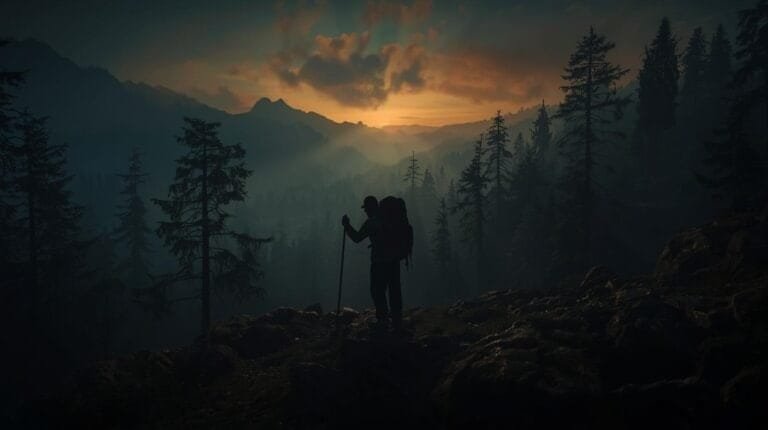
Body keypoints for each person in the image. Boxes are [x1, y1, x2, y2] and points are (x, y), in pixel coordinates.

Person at [342, 195, 403, 331]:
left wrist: (347, 226)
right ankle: (397, 320)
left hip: (379, 262)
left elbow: (357, 238)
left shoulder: (372, 223)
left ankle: (383, 320)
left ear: (370, 208)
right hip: (394, 261)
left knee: (377, 291)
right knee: (394, 290)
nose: (365, 211)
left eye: (366, 209)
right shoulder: (389, 219)